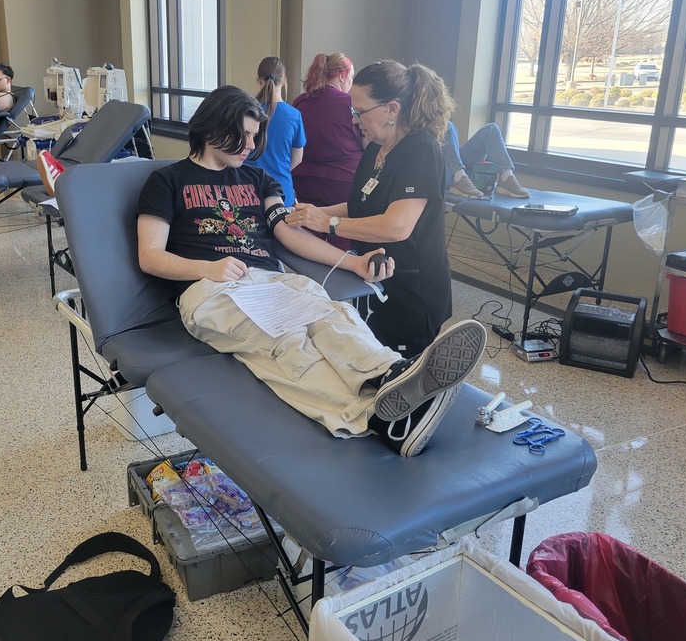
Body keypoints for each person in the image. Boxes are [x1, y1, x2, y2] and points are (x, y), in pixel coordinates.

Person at [136, 84, 485, 458]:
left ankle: (391, 376)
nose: (251, 146)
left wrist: (352, 262)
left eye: (255, 136)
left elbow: (287, 233)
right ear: (211, 127)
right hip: (209, 289)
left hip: (271, 281)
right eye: (244, 134)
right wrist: (209, 267)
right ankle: (376, 418)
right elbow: (150, 257)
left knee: (332, 316)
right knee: (285, 343)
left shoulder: (258, 180)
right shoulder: (167, 182)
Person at [288, 60, 454, 357]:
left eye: (359, 112)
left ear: (392, 109)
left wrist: (328, 223)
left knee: (404, 376)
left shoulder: (421, 150)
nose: (354, 120)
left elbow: (396, 226)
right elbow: (360, 205)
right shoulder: (376, 149)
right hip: (375, 279)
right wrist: (315, 213)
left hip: (413, 290)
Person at [292, 52, 363, 250]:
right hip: (342, 185)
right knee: (342, 237)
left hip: (303, 181)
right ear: (342, 75)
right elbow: (365, 143)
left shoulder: (300, 102)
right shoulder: (349, 104)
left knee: (308, 236)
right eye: (351, 78)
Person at [247, 56, 305, 207]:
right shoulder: (293, 115)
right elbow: (297, 159)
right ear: (284, 80)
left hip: (247, 190)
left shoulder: (245, 111)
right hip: (281, 192)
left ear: (258, 80)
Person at [442, 121, 529, 199]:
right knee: (447, 125)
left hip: (462, 168)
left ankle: (506, 177)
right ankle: (458, 178)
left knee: (491, 129)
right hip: (442, 174)